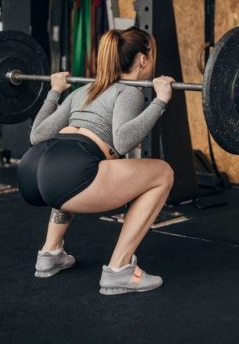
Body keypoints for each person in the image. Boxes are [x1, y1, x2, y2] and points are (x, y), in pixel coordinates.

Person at [18, 27, 174, 295]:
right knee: (163, 173)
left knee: (75, 172)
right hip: (71, 169)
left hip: (33, 167)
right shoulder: (129, 91)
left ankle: (50, 253)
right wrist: (160, 101)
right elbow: (123, 141)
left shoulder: (82, 90)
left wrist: (54, 92)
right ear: (143, 60)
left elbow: (36, 135)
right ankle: (119, 270)